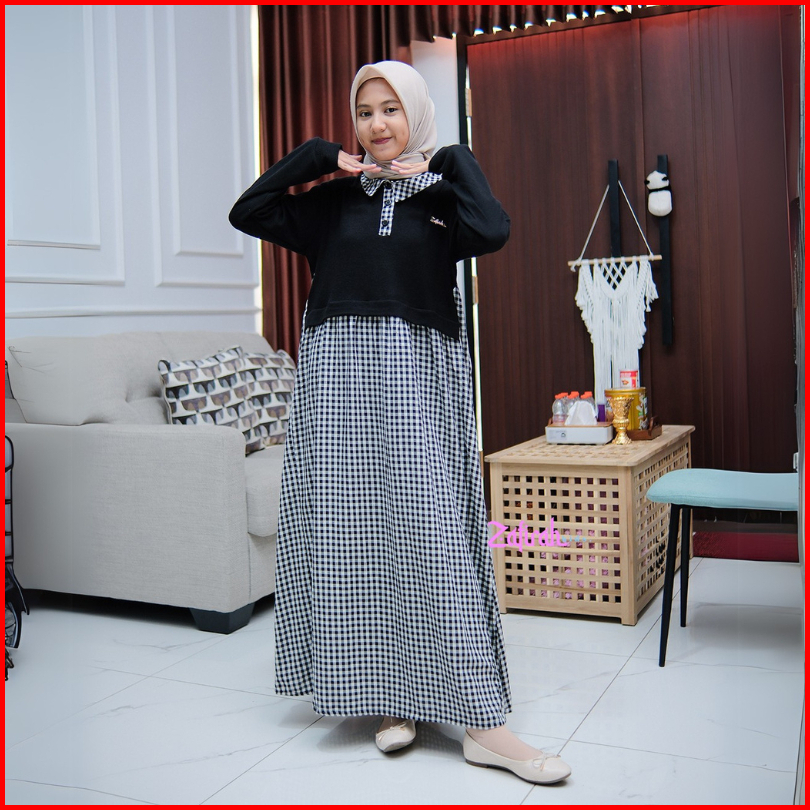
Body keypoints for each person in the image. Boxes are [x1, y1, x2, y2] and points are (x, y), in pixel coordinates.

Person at [229, 60, 571, 786]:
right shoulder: (332, 200)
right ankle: (390, 696)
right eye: (365, 111)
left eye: (391, 108)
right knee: (354, 534)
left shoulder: (444, 197)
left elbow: (495, 228)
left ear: (415, 113)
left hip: (419, 381)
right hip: (337, 383)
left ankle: (481, 723)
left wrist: (450, 160)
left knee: (433, 531)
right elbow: (248, 211)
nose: (377, 124)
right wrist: (319, 157)